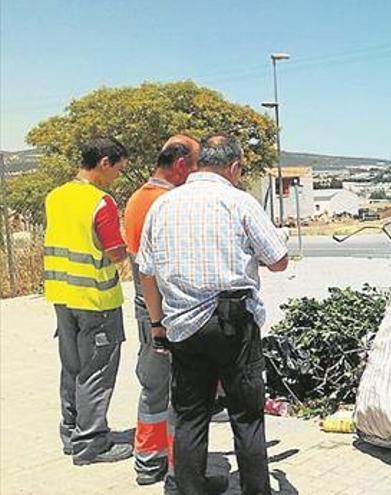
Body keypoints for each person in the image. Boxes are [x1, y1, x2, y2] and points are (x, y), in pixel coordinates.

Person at [137, 133, 289, 495]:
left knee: (190, 417)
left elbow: (146, 271)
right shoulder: (239, 202)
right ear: (234, 167)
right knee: (247, 418)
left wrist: (157, 325)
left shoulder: (162, 206)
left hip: (183, 328)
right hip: (233, 325)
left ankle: (191, 489)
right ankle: (257, 490)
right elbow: (280, 260)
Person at [43, 136, 134, 465]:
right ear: (104, 163)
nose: (117, 177)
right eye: (118, 170)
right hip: (97, 301)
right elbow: (114, 251)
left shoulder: (56, 196)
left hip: (62, 297)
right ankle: (92, 443)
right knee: (96, 371)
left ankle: (71, 433)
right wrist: (132, 251)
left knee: (72, 368)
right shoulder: (101, 202)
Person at [124, 135, 199, 486]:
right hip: (166, 309)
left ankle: (148, 460)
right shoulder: (167, 203)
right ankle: (174, 469)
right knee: (176, 390)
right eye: (196, 165)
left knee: (153, 387)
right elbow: (157, 267)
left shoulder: (138, 198)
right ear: (181, 164)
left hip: (148, 306)